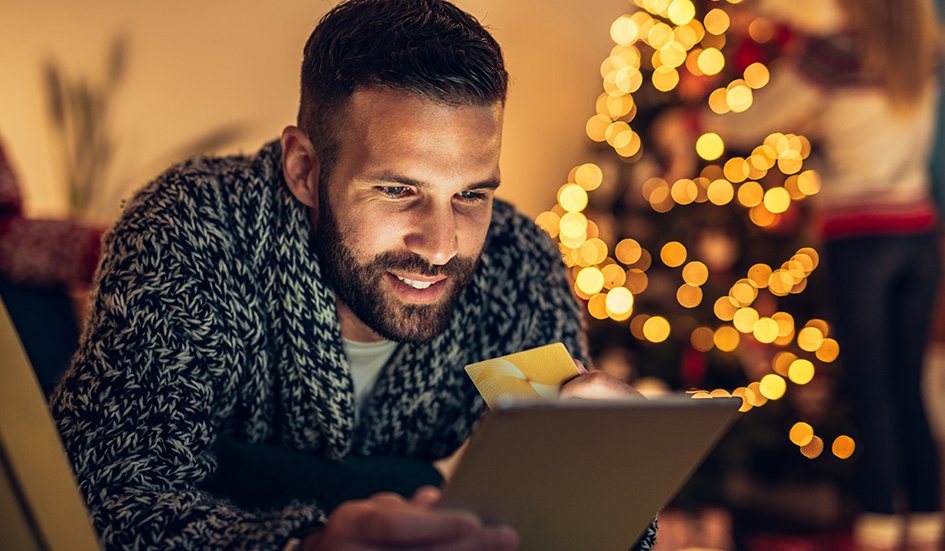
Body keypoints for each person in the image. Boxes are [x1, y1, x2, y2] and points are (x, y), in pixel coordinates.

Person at [50, 1, 657, 549]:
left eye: (471, 194)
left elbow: (557, 518)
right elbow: (107, 497)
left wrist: (610, 484)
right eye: (398, 190)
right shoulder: (191, 229)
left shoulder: (519, 266)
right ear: (304, 168)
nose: (442, 246)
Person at [654, 0, 943, 549]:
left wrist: (691, 121)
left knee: (872, 390)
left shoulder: (834, 56)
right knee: (908, 387)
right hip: (920, 237)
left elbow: (759, 118)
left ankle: (879, 525)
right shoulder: (923, 54)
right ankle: (928, 522)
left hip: (863, 238)